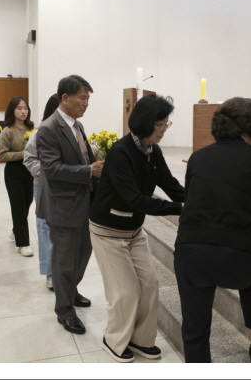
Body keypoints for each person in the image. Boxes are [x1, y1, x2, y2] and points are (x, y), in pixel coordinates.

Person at [174, 98, 251, 363]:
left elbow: (190, 202)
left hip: (190, 252)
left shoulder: (197, 158)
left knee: (194, 328)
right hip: (239, 262)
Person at [89, 94, 184, 362]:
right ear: (145, 123)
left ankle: (141, 339)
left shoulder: (153, 151)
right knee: (126, 291)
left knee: (150, 283)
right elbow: (134, 199)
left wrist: (197, 200)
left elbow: (170, 185)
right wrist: (180, 209)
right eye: (160, 125)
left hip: (133, 231)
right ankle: (114, 340)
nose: (164, 129)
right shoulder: (121, 152)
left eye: (166, 124)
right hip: (108, 231)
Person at [36, 75, 104, 335]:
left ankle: (71, 291)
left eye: (88, 99)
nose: (86, 103)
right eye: (82, 98)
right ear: (65, 98)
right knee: (64, 260)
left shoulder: (78, 125)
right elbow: (52, 169)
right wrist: (89, 171)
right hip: (62, 205)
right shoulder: (48, 128)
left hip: (84, 202)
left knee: (83, 253)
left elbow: (83, 158)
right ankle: (64, 310)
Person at [23, 93, 61, 290]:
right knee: (45, 227)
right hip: (44, 186)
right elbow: (29, 159)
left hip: (66, 187)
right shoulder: (40, 132)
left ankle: (63, 269)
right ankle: (50, 271)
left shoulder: (73, 130)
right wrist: (48, 174)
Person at [0, 96, 35, 257]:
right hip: (14, 171)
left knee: (27, 203)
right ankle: (23, 243)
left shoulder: (31, 129)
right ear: (12, 111)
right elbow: (2, 155)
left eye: (25, 108)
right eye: (19, 108)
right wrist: (22, 154)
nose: (23, 111)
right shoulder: (8, 131)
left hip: (30, 170)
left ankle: (16, 230)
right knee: (18, 207)